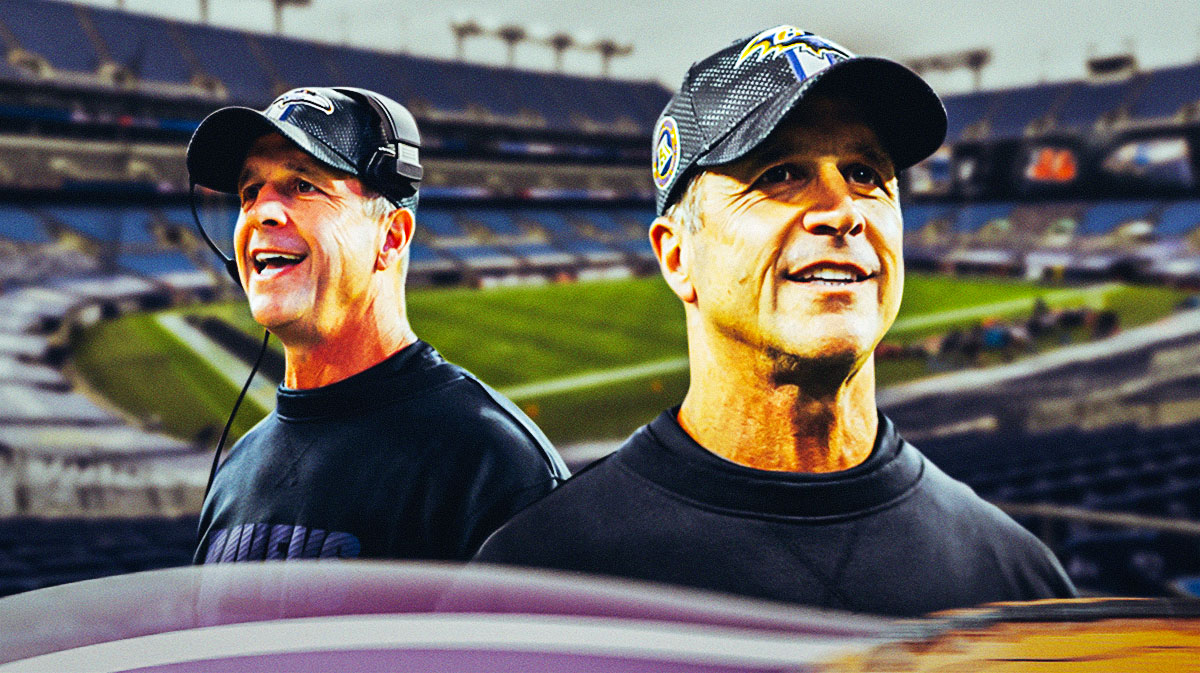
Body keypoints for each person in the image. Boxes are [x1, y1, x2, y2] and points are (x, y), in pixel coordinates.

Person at [475, 27, 1076, 616]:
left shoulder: (1017, 579)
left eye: (866, 175)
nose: (842, 211)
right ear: (677, 256)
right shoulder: (539, 581)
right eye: (780, 174)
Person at [185, 86, 569, 563]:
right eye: (249, 192)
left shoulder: (493, 466)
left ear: (390, 237)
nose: (261, 210)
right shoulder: (235, 474)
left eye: (303, 185)